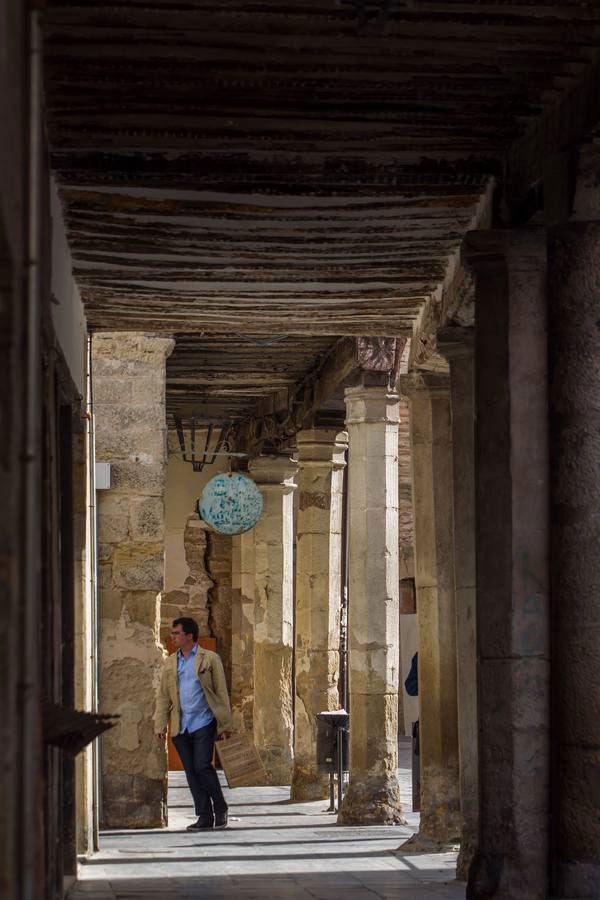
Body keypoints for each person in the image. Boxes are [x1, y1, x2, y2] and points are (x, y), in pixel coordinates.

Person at [155, 617, 233, 831]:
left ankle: (220, 806)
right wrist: (160, 724)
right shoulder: (171, 662)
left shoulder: (210, 659)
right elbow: (163, 696)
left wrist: (225, 726)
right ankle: (205, 816)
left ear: (189, 635)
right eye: (172, 633)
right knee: (191, 771)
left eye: (177, 633)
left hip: (204, 722)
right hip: (181, 725)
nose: (173, 637)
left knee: (202, 766)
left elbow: (221, 692)